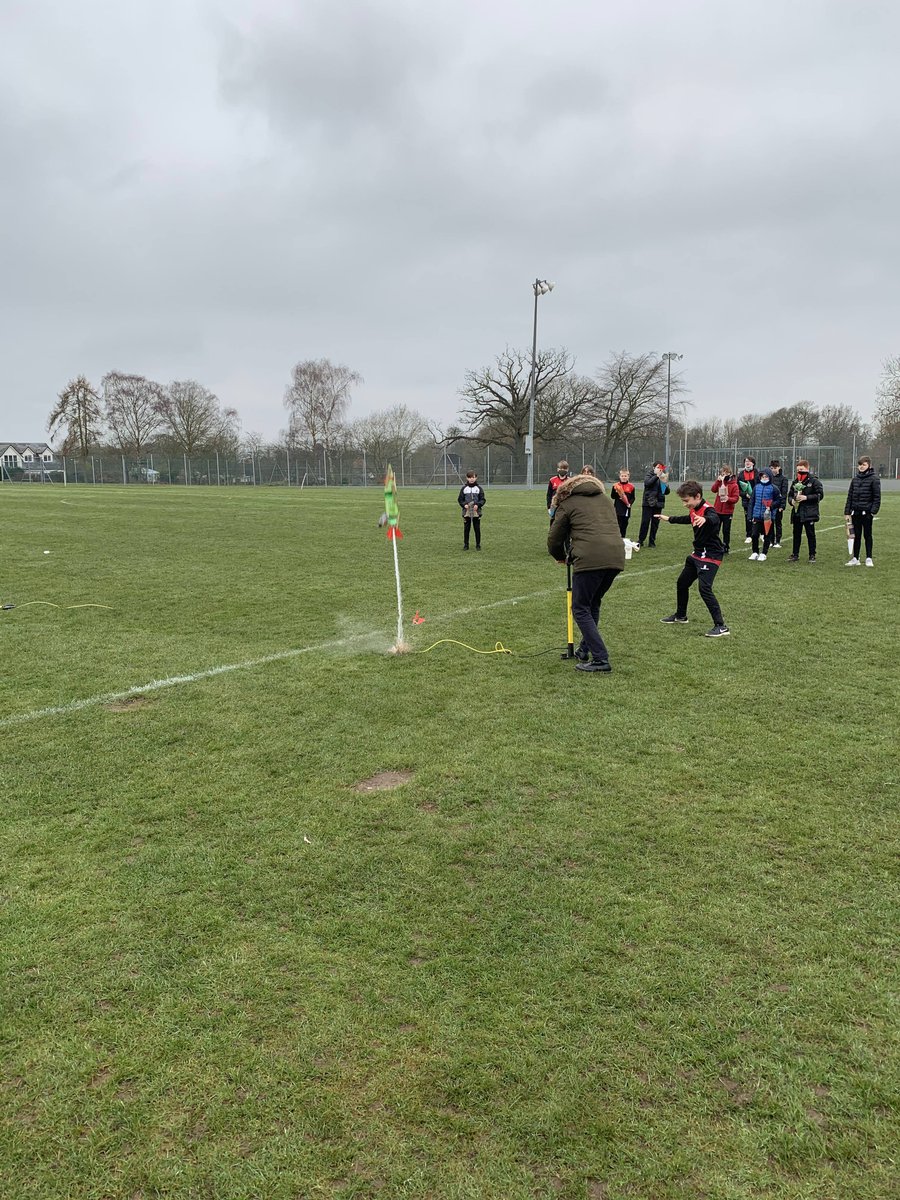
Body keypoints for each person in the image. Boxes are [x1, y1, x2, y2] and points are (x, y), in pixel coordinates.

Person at [547, 471, 625, 673]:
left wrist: (560, 556)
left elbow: (554, 538)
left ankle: (601, 658)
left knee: (580, 608)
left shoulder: (567, 503)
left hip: (589, 559)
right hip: (616, 557)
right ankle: (584, 649)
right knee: (593, 603)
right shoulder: (606, 500)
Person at [655, 481, 730, 637]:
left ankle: (721, 626)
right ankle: (681, 616)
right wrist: (669, 519)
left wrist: (705, 520)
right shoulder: (694, 509)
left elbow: (714, 518)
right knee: (682, 583)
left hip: (710, 556)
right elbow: (687, 519)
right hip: (697, 554)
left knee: (704, 589)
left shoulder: (708, 510)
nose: (684, 504)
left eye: (686, 501)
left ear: (697, 496)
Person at [845, 455, 881, 567]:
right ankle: (855, 558)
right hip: (855, 512)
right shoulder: (855, 479)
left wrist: (872, 511)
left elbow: (877, 497)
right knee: (856, 536)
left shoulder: (874, 479)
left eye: (864, 464)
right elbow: (850, 496)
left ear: (869, 465)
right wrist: (847, 511)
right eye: (860, 465)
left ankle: (869, 558)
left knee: (867, 535)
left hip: (867, 513)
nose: (861, 466)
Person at [787, 459, 824, 562]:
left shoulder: (814, 481)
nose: (800, 472)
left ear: (807, 469)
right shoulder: (795, 482)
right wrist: (791, 501)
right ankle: (795, 554)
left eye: (802, 470)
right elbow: (790, 495)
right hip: (797, 512)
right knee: (796, 534)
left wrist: (806, 497)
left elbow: (820, 495)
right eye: (798, 470)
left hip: (809, 512)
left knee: (810, 534)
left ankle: (812, 555)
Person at [748, 466, 780, 561]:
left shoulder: (774, 488)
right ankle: (755, 552)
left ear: (770, 477)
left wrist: (771, 506)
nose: (764, 478)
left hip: (768, 516)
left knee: (767, 535)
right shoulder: (756, 487)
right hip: (757, 515)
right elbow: (752, 502)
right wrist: (750, 515)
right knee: (754, 534)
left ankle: (764, 553)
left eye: (766, 477)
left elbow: (779, 501)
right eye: (762, 477)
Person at [637, 462, 668, 548]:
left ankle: (652, 541)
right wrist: (657, 476)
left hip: (658, 503)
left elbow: (666, 492)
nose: (659, 469)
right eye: (658, 467)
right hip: (648, 502)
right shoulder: (649, 475)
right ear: (654, 468)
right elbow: (647, 483)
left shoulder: (662, 477)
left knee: (655, 524)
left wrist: (664, 483)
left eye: (661, 468)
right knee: (645, 522)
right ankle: (641, 540)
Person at [710, 464, 739, 553]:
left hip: (727, 512)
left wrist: (728, 499)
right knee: (715, 529)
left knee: (726, 530)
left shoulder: (734, 485)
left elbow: (736, 498)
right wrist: (718, 481)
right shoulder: (720, 483)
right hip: (717, 510)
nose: (724, 475)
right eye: (722, 473)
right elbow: (713, 489)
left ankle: (726, 546)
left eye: (726, 473)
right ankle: (715, 545)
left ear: (730, 474)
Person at [457, 470, 485, 551]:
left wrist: (478, 505)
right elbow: (460, 499)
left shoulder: (479, 488)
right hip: (466, 512)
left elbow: (483, 499)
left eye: (473, 477)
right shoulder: (464, 488)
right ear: (467, 478)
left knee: (477, 528)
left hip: (476, 511)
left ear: (476, 478)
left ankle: (478, 545)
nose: (471, 479)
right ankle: (466, 545)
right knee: (466, 529)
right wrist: (464, 505)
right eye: (470, 477)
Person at [768, 460, 788, 548]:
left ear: (779, 467)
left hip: (778, 505)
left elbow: (784, 493)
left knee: (778, 523)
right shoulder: (768, 478)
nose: (773, 470)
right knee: (770, 523)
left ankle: (778, 541)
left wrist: (782, 506)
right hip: (769, 505)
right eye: (772, 468)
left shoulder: (783, 479)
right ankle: (771, 541)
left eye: (775, 468)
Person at [737, 456, 758, 542]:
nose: (747, 463)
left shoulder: (757, 473)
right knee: (748, 517)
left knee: (758, 517)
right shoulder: (741, 474)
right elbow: (738, 489)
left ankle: (760, 534)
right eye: (746, 461)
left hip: (757, 499)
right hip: (746, 500)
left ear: (753, 463)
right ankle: (749, 535)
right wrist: (745, 494)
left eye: (749, 461)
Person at [611, 468, 636, 538]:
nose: (624, 477)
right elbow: (612, 496)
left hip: (626, 509)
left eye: (625, 476)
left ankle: (623, 538)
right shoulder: (615, 486)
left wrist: (629, 504)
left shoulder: (631, 486)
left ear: (628, 477)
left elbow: (633, 498)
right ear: (620, 476)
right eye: (622, 476)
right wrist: (618, 493)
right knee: (618, 524)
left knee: (624, 524)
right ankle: (617, 538)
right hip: (618, 508)